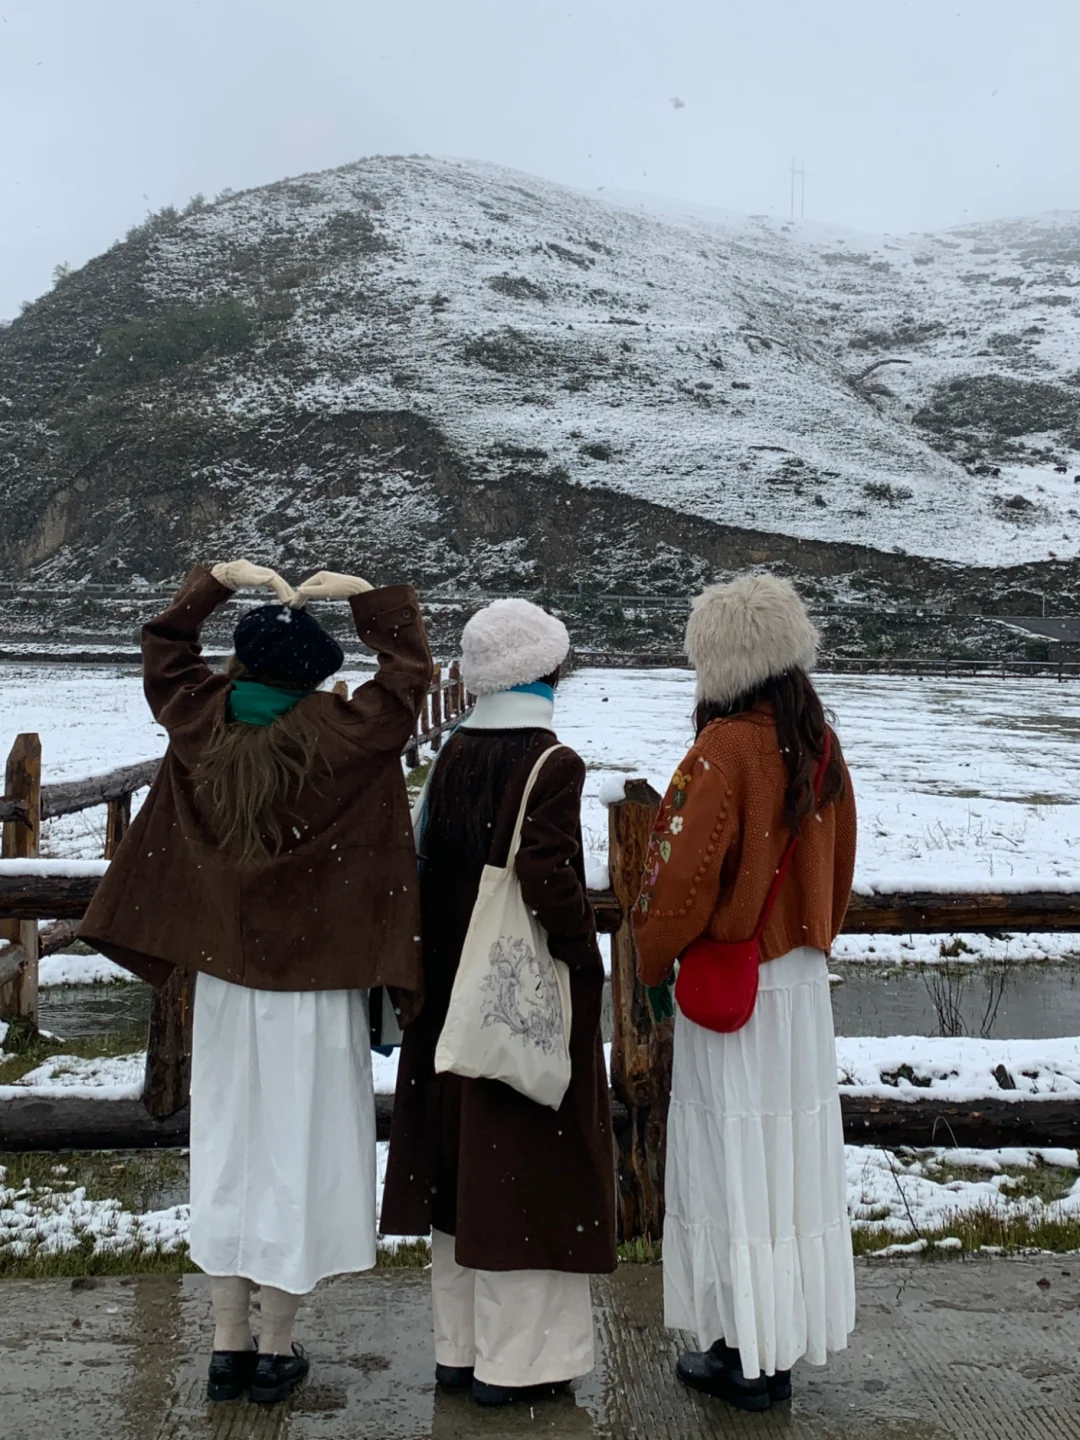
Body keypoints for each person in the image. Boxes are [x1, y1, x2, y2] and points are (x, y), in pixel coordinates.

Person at [80, 560, 432, 1405]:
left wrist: (209, 581)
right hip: (319, 988)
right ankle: (278, 1349)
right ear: (317, 674)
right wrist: (369, 602)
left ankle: (225, 1346)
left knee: (232, 1151)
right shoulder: (345, 735)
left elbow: (165, 651)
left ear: (239, 662)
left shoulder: (201, 720)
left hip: (227, 987)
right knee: (302, 1154)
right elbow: (409, 679)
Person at [380, 598, 617, 1407]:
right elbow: (546, 875)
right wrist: (585, 957)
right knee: (525, 1172)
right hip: (517, 999)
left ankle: (460, 1351)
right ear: (546, 670)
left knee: (457, 1172)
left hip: (450, 994)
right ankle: (519, 1366)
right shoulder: (552, 761)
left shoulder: (452, 756)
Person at [633, 573, 857, 1413]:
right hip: (801, 988)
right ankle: (778, 1345)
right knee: (788, 1168)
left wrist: (654, 958)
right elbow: (838, 871)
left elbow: (673, 883)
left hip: (736, 990)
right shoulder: (821, 743)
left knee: (732, 1164)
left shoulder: (718, 752)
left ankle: (741, 1353)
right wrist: (808, 931)